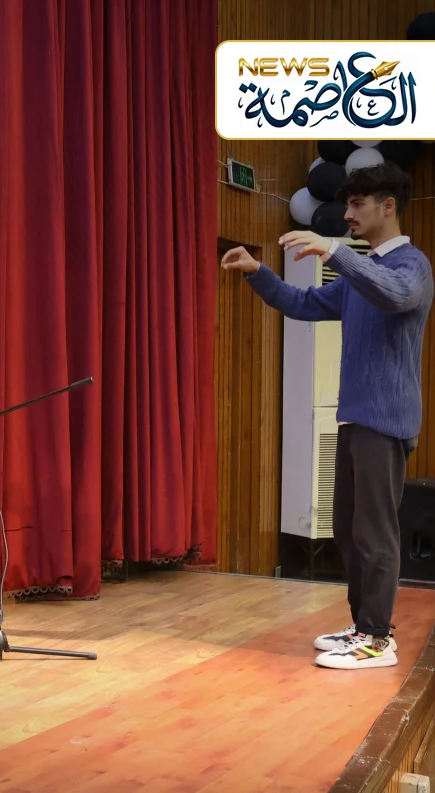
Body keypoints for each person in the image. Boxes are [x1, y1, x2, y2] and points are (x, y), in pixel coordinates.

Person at [222, 162, 433, 670]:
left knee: (374, 533)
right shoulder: (362, 273)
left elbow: (396, 294)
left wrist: (337, 251)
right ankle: (364, 626)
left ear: (388, 206)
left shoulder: (412, 265)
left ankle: (377, 639)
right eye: (346, 205)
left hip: (385, 421)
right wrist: (257, 272)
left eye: (357, 204)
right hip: (354, 417)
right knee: (346, 529)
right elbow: (304, 302)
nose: (348, 215)